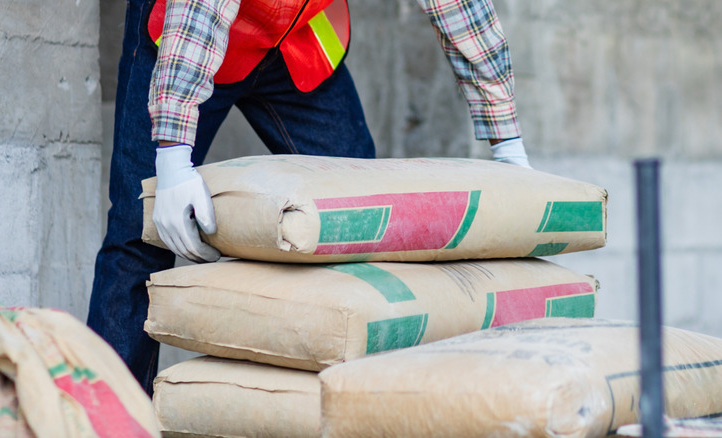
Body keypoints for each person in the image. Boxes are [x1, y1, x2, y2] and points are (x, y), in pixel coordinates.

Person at [87, 0, 532, 395]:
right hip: (192, 35)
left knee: (365, 224)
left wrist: (506, 138)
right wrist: (172, 154)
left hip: (299, 44)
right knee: (139, 233)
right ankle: (106, 423)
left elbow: (460, 8)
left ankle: (361, 405)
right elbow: (202, 11)